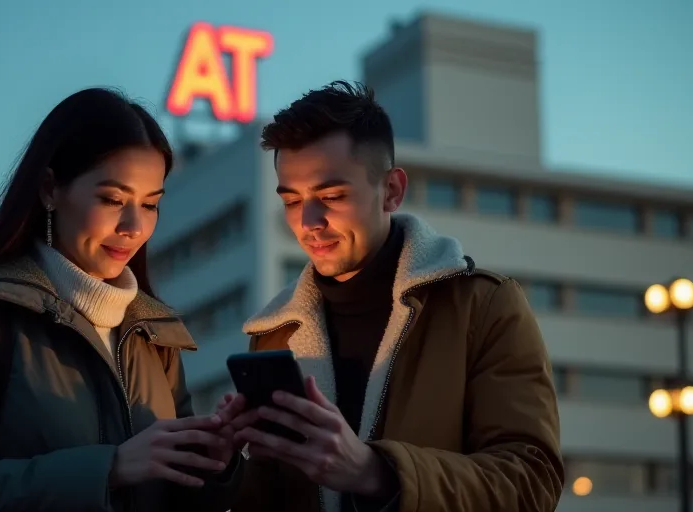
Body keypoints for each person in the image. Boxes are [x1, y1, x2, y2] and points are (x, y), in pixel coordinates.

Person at [0, 88, 245, 512]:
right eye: (112, 199)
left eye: (150, 204)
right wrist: (109, 468)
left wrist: (214, 465)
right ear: (50, 188)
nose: (134, 226)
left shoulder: (153, 335)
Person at [222, 81, 563, 512]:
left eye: (331, 196)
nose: (309, 221)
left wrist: (374, 472)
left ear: (392, 191)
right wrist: (226, 469)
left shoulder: (484, 307)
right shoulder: (275, 334)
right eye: (292, 200)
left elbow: (531, 484)